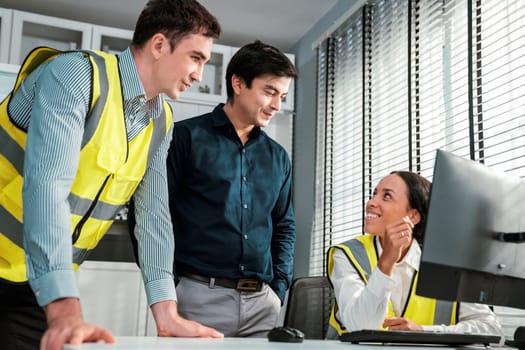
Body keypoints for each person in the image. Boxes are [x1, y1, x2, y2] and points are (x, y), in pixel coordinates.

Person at [0, 1, 224, 349]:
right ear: (160, 45)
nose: (199, 74)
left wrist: (166, 312)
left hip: (32, 278)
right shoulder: (76, 75)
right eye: (196, 58)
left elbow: (153, 218)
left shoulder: (160, 120)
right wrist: (63, 309)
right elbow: (47, 186)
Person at [165, 40, 298, 337]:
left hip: (263, 305)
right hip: (197, 298)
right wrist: (171, 285)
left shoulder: (278, 157)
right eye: (269, 92)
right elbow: (153, 214)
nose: (277, 105)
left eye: (283, 96)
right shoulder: (185, 138)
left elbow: (284, 225)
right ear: (238, 83)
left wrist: (279, 288)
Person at [327, 171, 503, 338]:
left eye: (386, 196)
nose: (370, 203)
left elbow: (491, 329)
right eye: (374, 194)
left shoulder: (445, 267)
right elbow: (360, 327)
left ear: (413, 216)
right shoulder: (348, 254)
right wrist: (386, 261)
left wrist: (423, 331)